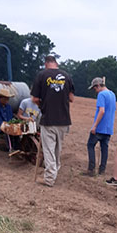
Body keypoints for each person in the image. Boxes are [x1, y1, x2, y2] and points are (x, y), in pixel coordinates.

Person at [31, 55, 75, 187]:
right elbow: (71, 98)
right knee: (57, 148)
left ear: (46, 64)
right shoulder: (66, 76)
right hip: (64, 119)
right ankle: (55, 171)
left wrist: (42, 104)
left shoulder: (42, 75)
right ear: (56, 63)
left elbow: (34, 99)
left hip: (48, 118)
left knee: (49, 149)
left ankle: (49, 178)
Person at [83, 77, 116, 176]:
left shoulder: (101, 95)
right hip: (109, 128)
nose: (95, 91)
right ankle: (102, 170)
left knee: (90, 145)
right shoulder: (112, 94)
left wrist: (94, 126)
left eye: (94, 88)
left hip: (100, 127)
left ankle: (91, 169)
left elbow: (102, 111)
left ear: (98, 86)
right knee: (104, 149)